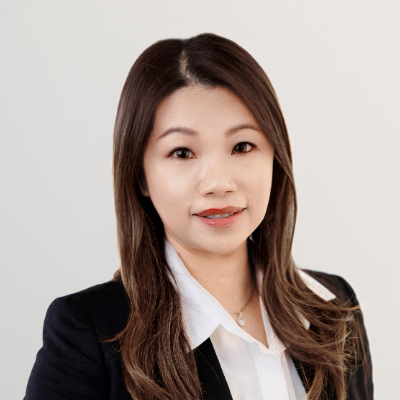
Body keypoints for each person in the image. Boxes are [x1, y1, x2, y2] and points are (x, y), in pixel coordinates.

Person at [24, 33, 373, 400]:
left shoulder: (334, 308)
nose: (218, 183)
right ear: (140, 175)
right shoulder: (90, 334)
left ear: (275, 157)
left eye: (242, 146)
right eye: (182, 153)